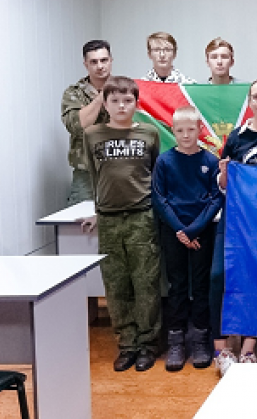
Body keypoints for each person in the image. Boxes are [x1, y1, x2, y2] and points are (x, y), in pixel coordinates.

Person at [82, 76, 161, 372]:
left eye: (128, 100)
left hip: (142, 216)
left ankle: (148, 344)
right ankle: (127, 344)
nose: (121, 106)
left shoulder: (149, 133)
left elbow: (155, 173)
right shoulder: (93, 135)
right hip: (109, 219)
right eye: (114, 100)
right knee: (116, 285)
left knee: (146, 283)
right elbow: (95, 177)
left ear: (137, 104)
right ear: (105, 104)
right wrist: (97, 210)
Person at [211, 78, 257, 375]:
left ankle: (249, 349)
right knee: (218, 276)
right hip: (236, 217)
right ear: (250, 101)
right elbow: (223, 184)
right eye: (256, 97)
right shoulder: (237, 136)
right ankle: (221, 349)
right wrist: (224, 175)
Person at [152, 106, 223, 372]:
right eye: (180, 130)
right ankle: (177, 340)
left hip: (202, 232)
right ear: (173, 131)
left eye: (190, 129)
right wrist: (180, 230)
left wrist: (193, 230)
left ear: (199, 130)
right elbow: (159, 198)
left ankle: (201, 339)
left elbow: (216, 198)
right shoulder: (164, 161)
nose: (185, 135)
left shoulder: (210, 161)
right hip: (173, 232)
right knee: (177, 285)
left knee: (202, 286)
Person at [61, 40, 112, 205]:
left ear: (111, 60)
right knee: (80, 219)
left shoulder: (126, 88)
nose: (100, 66)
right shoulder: (74, 93)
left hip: (119, 170)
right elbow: (78, 125)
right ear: (85, 64)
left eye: (104, 60)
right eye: (94, 62)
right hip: (86, 174)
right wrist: (102, 96)